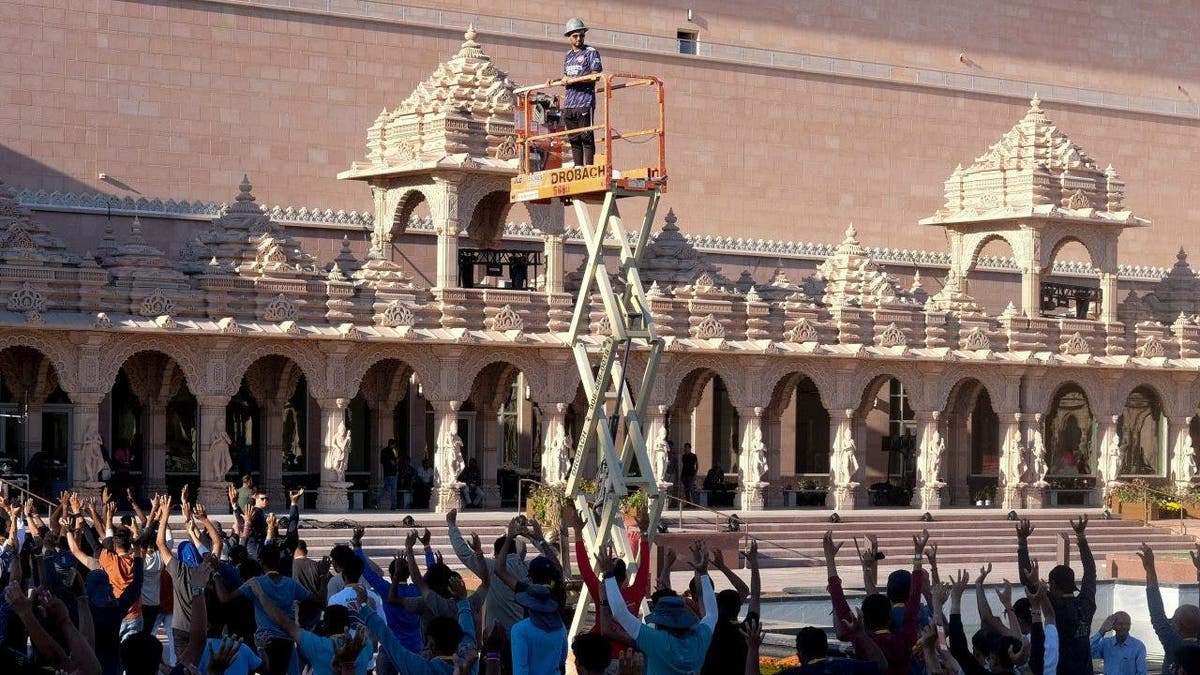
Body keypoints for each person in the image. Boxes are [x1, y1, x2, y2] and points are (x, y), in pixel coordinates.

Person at [602, 538, 717, 675]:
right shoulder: (700, 638)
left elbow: (619, 613)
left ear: (660, 622)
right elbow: (712, 613)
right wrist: (703, 573)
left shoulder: (655, 640)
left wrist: (609, 575)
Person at [1018, 516, 1096, 675]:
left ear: (1052, 584)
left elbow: (1027, 579)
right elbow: (1090, 571)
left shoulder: (1054, 605)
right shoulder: (1086, 602)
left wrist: (1022, 543)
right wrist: (1081, 537)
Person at [1138, 543, 1200, 675]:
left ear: (1180, 627)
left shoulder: (1174, 643)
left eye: (1174, 619)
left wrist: (1150, 569)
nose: (1170, 621)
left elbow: (1157, 614)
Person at [560, 18, 603, 167]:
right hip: (570, 104)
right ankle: (578, 166)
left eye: (581, 35)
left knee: (586, 136)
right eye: (575, 36)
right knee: (574, 138)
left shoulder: (590, 52)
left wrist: (574, 79)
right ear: (569, 37)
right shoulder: (567, 56)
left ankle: (589, 166)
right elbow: (567, 77)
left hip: (584, 101)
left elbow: (596, 75)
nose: (579, 38)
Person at [379, 439, 398, 510]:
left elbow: (381, 461)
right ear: (393, 444)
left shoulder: (383, 451)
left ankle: (376, 500)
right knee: (393, 490)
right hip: (392, 473)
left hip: (386, 473)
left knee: (385, 489)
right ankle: (394, 506)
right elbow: (395, 462)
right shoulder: (392, 451)